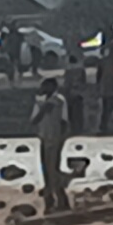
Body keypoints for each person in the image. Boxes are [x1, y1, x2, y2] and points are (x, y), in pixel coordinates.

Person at [30, 77, 70, 212]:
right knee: (46, 171)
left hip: (55, 139)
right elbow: (34, 120)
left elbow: (64, 121)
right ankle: (49, 201)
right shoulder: (41, 103)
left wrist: (61, 138)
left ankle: (62, 200)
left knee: (53, 170)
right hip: (44, 138)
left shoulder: (59, 101)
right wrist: (43, 109)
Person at [62, 53, 88, 133]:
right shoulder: (81, 70)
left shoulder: (68, 70)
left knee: (71, 114)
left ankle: (73, 128)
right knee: (79, 114)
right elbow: (84, 82)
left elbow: (67, 83)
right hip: (79, 94)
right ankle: (79, 128)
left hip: (70, 95)